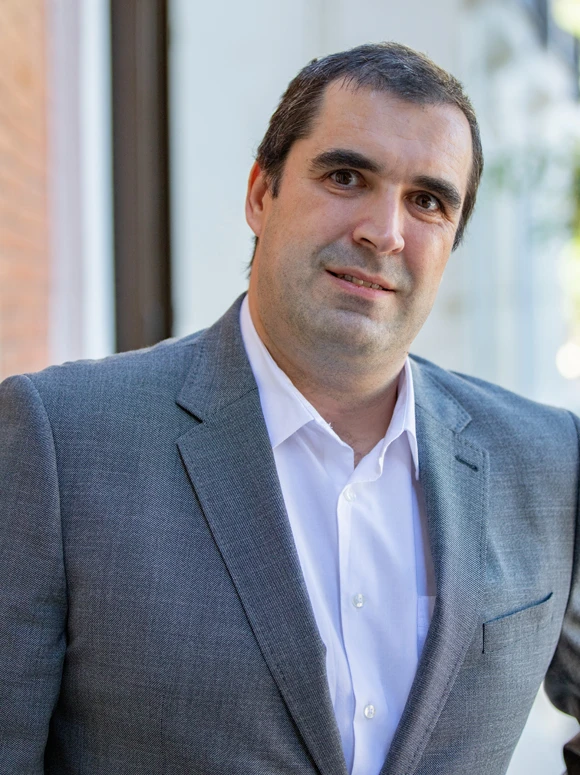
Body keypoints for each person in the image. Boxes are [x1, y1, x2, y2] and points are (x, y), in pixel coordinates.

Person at [0, 41, 579, 775]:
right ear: (260, 193)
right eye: (346, 176)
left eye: (427, 200)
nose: (384, 231)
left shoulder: (548, 461)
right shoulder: (61, 441)